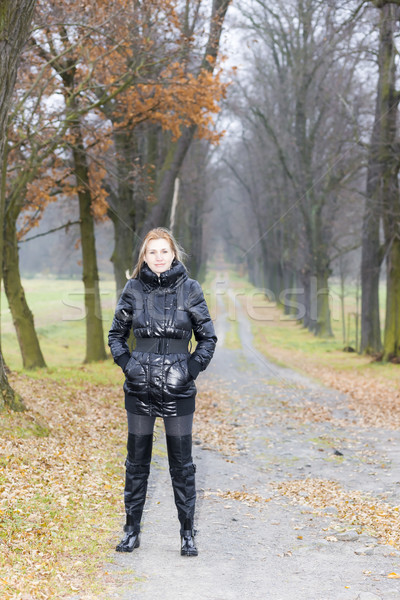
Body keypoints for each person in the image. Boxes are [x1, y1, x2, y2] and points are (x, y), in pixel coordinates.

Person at [108, 227, 217, 556]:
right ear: (145, 256)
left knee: (182, 465)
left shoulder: (191, 290)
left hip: (178, 390)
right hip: (139, 389)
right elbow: (116, 336)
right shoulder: (132, 289)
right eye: (152, 252)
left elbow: (207, 339)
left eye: (164, 251)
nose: (158, 257)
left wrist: (188, 371)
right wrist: (130, 366)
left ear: (173, 254)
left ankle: (187, 533)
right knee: (136, 463)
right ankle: (131, 530)